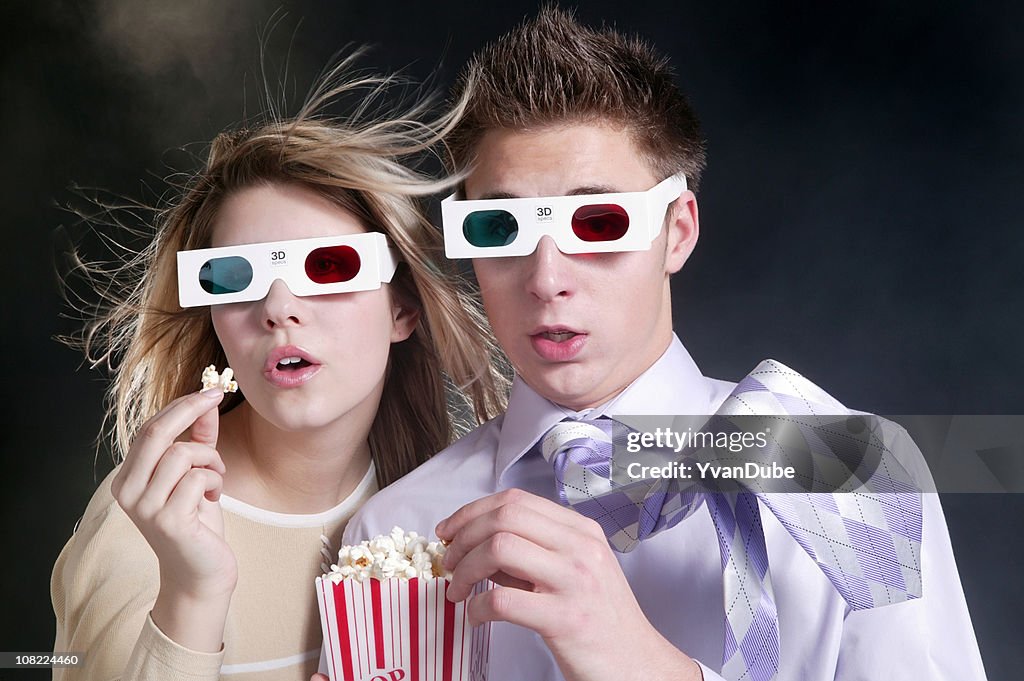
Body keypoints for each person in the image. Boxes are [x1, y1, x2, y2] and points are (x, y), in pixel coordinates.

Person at [335, 8, 987, 681]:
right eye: (499, 227)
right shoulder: (396, 533)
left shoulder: (848, 472)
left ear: (676, 231)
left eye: (598, 220)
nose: (546, 279)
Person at [51, 64, 507, 681]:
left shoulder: (442, 501)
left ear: (402, 306)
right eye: (234, 277)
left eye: (327, 265)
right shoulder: (144, 537)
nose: (277, 308)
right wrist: (191, 598)